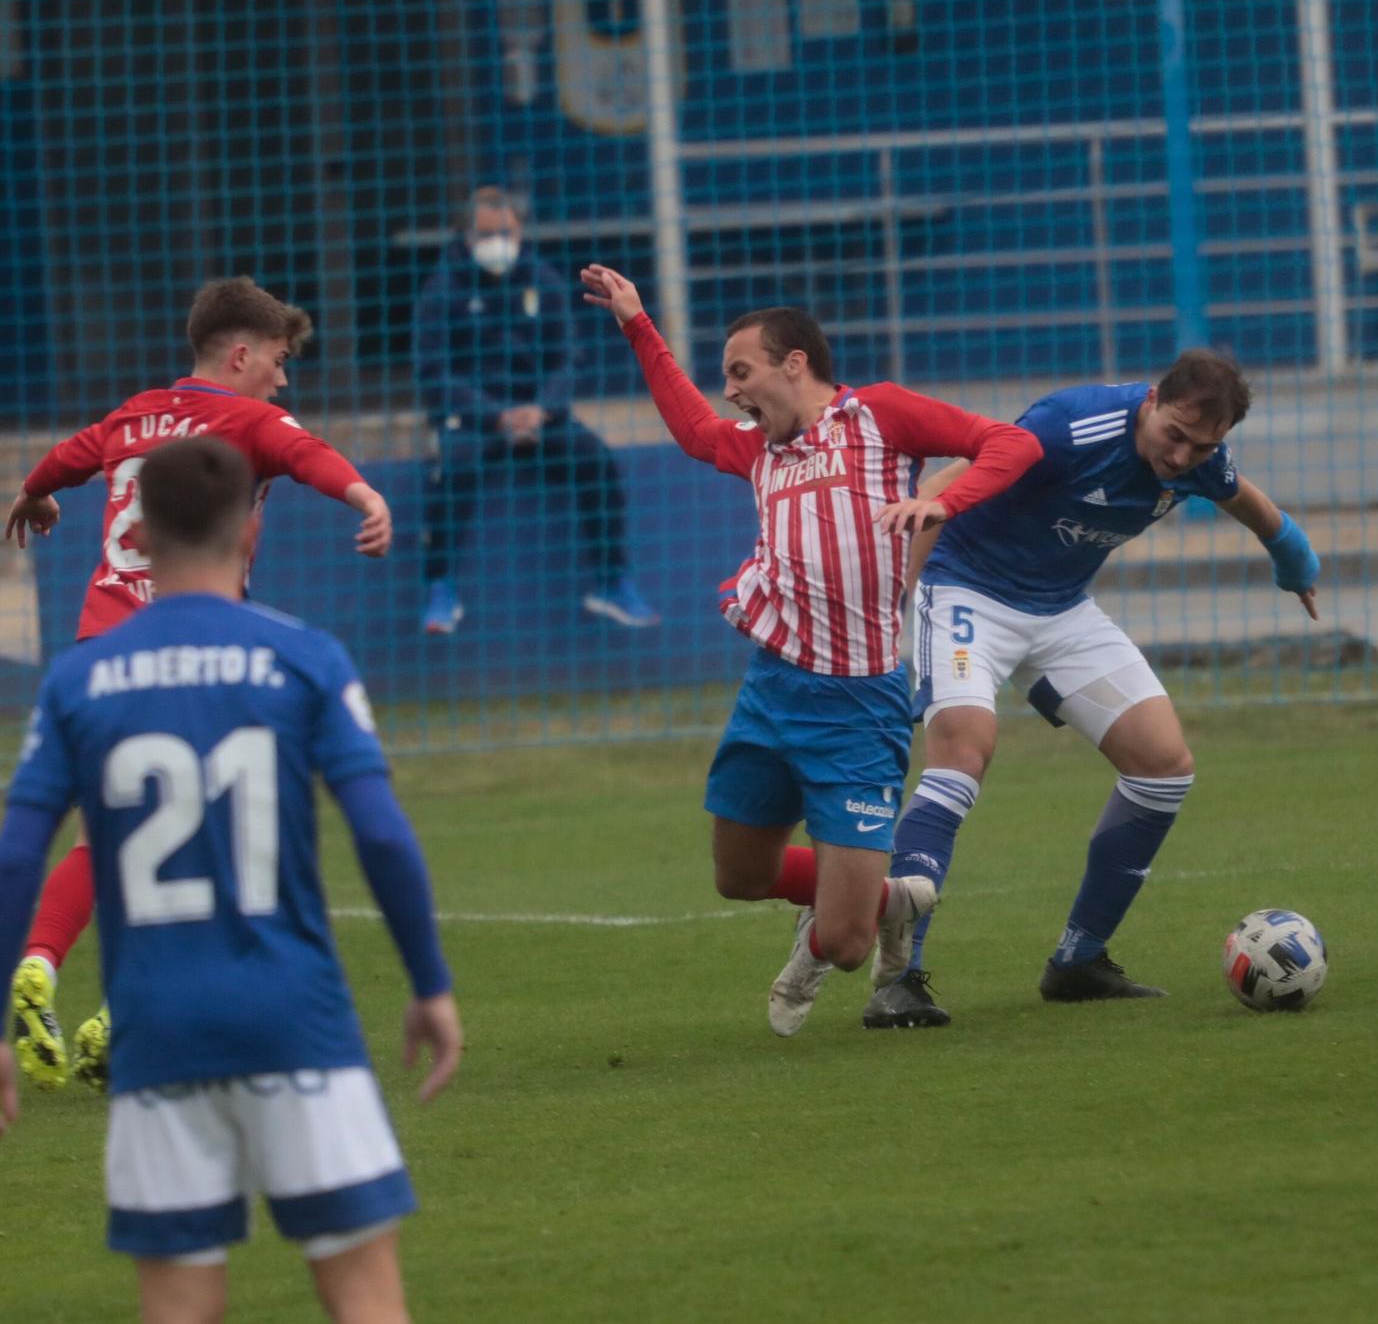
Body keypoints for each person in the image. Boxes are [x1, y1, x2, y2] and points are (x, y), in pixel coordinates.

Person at [0, 437, 461, 1318]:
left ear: (136, 530)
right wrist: (430, 984)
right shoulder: (305, 657)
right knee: (366, 1299)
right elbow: (382, 835)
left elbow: (21, 855)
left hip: (158, 1039)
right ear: (250, 531)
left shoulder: (78, 680)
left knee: (179, 1308)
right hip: (300, 1027)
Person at [578, 264, 1044, 1036]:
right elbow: (695, 430)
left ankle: (862, 911)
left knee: (848, 946)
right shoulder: (758, 448)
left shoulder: (881, 416)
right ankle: (880, 894)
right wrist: (636, 322)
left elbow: (1013, 444)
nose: (731, 390)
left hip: (859, 707)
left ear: (794, 363)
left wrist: (941, 499)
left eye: (741, 371)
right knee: (739, 876)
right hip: (771, 692)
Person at [4, 276, 394, 1093]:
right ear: (243, 353)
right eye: (279, 361)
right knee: (215, 822)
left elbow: (64, 461)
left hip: (100, 645)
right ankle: (128, 1016)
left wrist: (33, 497)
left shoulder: (131, 415)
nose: (285, 379)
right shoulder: (247, 418)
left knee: (106, 829)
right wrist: (366, 496)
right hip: (192, 643)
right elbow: (308, 455)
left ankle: (39, 963)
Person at [861, 351, 1322, 1030]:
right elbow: (950, 484)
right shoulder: (1069, 426)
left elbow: (1247, 502)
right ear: (1153, 401)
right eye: (1175, 436)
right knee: (963, 754)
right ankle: (897, 982)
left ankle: (1079, 960)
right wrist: (897, 604)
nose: (1183, 457)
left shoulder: (1199, 458)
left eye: (1204, 446)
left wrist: (1296, 562)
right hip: (967, 592)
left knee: (1164, 768)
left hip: (1061, 610)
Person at [414, 187, 658, 634]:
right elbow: (433, 374)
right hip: (475, 421)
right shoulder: (442, 288)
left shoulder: (543, 280)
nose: (497, 242)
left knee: (596, 459)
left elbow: (569, 358)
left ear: (520, 230)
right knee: (453, 468)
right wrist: (494, 416)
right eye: (486, 234)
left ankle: (612, 583)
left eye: (505, 232)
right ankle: (440, 588)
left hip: (542, 417)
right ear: (467, 236)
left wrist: (541, 410)